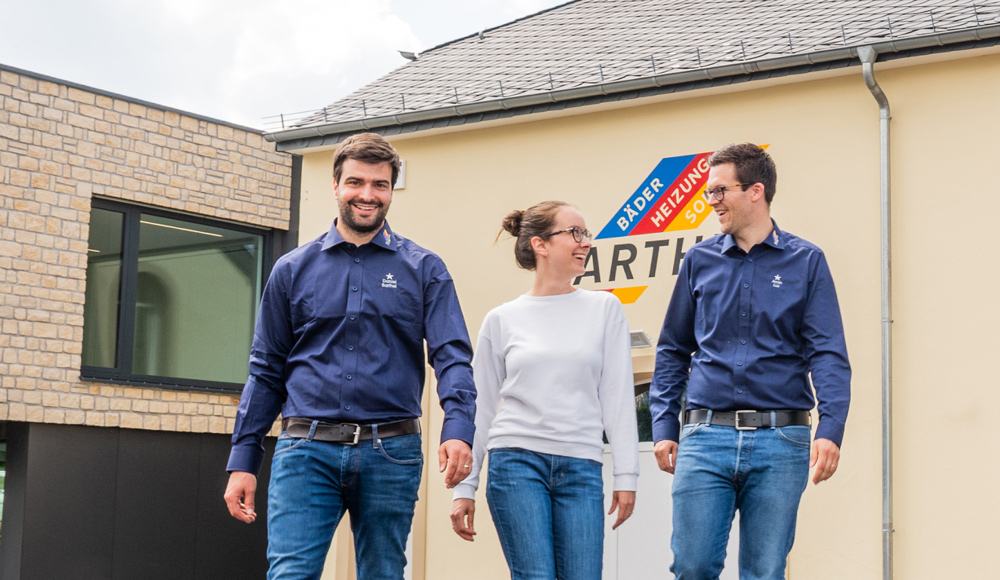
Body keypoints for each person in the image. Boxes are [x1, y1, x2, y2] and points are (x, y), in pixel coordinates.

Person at [223, 132, 477, 580]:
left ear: (391, 190)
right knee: (290, 574)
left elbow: (451, 355)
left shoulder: (425, 269)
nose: (368, 194)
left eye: (380, 185)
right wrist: (244, 460)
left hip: (392, 451)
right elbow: (265, 371)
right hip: (305, 450)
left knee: (382, 573)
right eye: (356, 182)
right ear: (336, 185)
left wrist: (458, 428)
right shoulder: (292, 270)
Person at [649, 143, 851, 580]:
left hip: (782, 440)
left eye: (720, 190)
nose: (711, 201)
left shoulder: (806, 261)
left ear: (755, 191)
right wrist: (664, 424)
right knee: (692, 565)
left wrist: (831, 429)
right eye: (709, 192)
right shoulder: (698, 262)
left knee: (764, 571)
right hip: (705, 437)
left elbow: (828, 352)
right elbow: (672, 349)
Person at [450, 201, 640, 580]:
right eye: (575, 232)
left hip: (581, 466)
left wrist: (626, 476)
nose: (585, 242)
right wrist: (465, 488)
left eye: (586, 233)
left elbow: (618, 396)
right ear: (540, 245)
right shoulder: (502, 319)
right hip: (516, 463)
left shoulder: (604, 308)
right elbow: (482, 405)